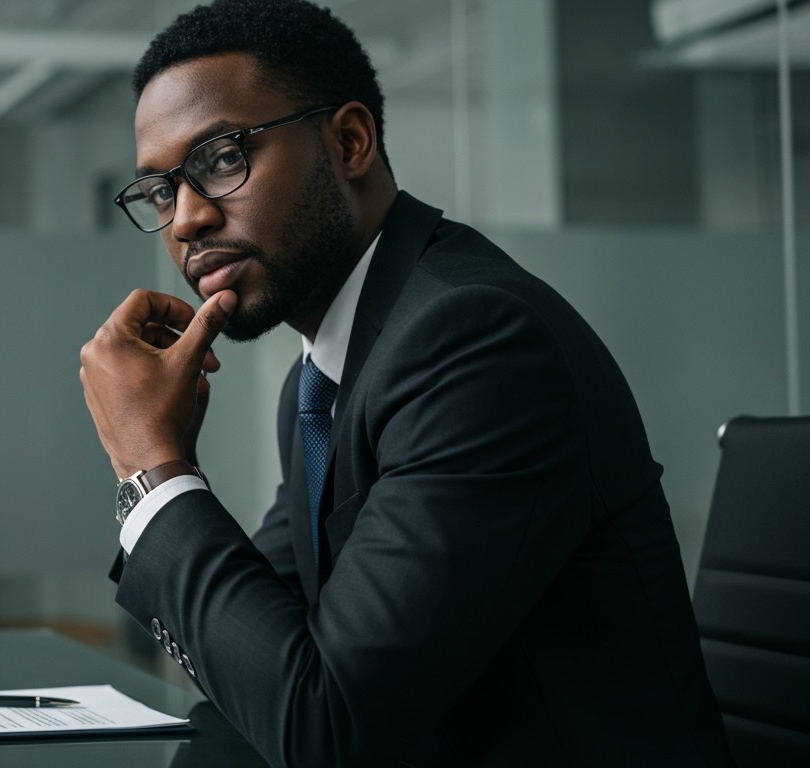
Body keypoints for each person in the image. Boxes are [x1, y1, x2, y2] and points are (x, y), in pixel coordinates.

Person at [78, 1, 734, 765]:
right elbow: (267, 661)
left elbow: (324, 725)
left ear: (349, 141)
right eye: (160, 189)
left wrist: (149, 468)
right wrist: (155, 472)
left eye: (222, 157)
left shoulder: (475, 341)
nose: (185, 218)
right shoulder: (320, 384)